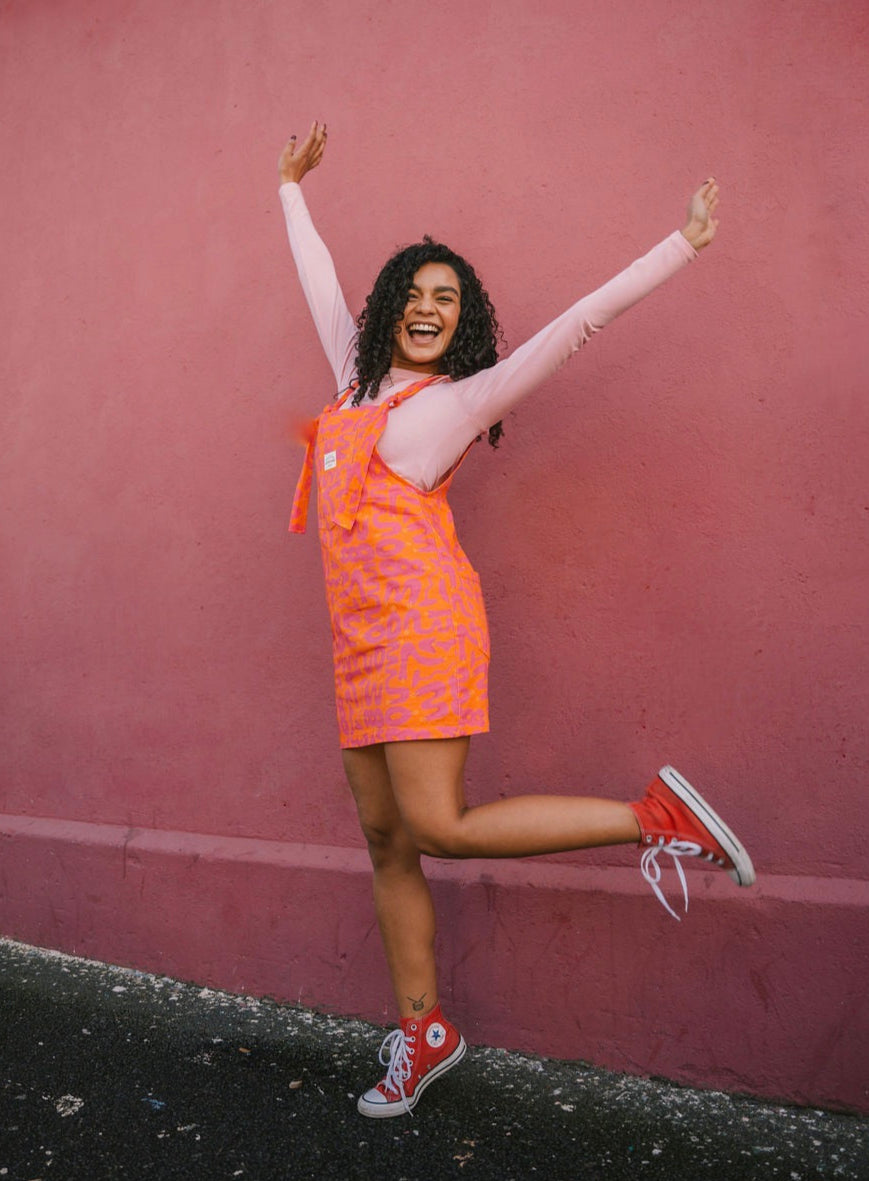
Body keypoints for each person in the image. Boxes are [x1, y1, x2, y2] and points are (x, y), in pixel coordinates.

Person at [278, 121, 755, 1119]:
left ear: (463, 323)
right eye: (411, 293)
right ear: (389, 310)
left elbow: (578, 321)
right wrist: (288, 189)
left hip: (421, 627)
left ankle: (652, 816)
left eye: (444, 299)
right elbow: (319, 285)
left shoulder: (459, 402)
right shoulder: (352, 385)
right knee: (384, 839)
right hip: (357, 639)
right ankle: (424, 1031)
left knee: (437, 825)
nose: (424, 308)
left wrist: (680, 244)